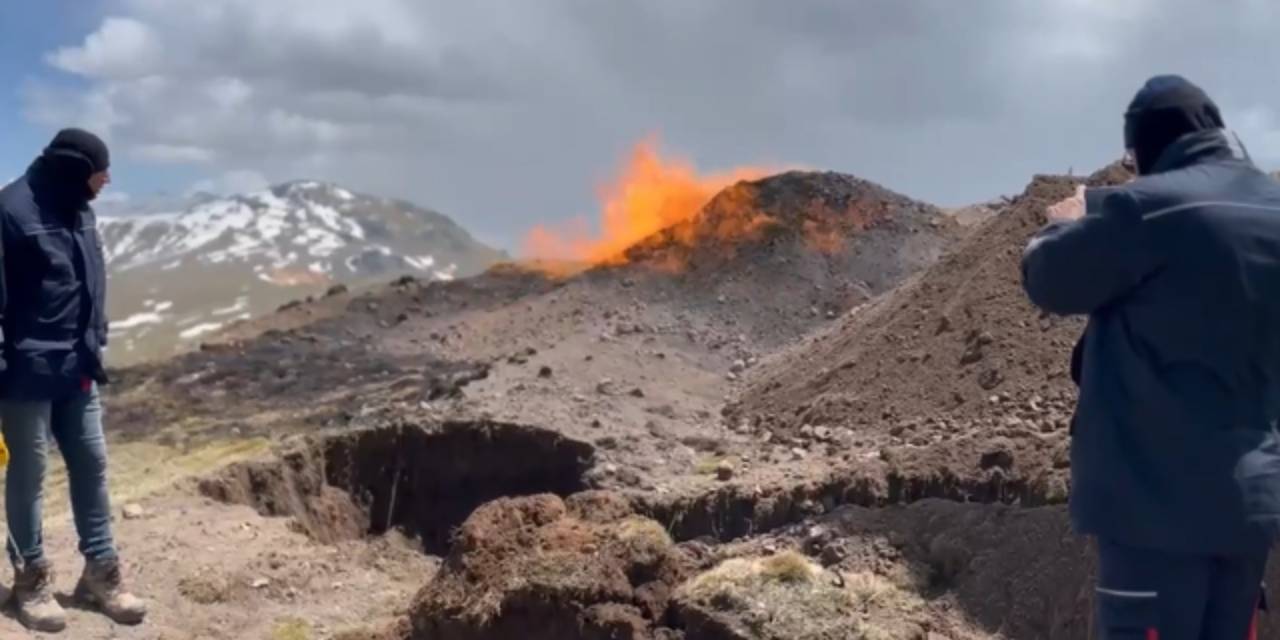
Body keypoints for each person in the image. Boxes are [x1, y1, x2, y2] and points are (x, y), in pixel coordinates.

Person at [1022, 75, 1280, 639]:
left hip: (1156, 512)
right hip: (1250, 510)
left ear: (1144, 148)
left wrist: (1062, 224)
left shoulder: (1146, 210)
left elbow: (1050, 280)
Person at [0, 129, 146, 631]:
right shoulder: (10, 211)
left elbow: (90, 280)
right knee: (29, 475)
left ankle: (101, 573)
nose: (106, 179)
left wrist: (95, 339)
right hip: (24, 374)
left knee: (93, 463)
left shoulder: (80, 206)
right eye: (99, 170)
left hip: (77, 367)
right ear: (70, 167)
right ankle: (30, 578)